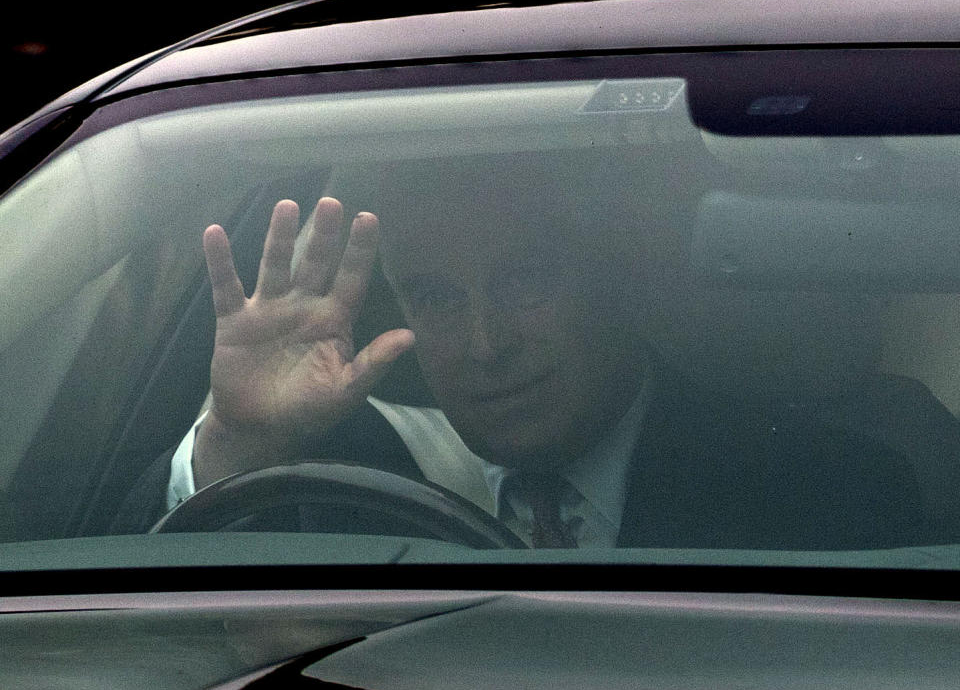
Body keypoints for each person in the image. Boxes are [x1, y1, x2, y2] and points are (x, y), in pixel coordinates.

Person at [119, 156, 932, 548]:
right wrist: (235, 445)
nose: (485, 345)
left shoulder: (826, 493)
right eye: (437, 296)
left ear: (615, 278)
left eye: (525, 283)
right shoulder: (319, 481)